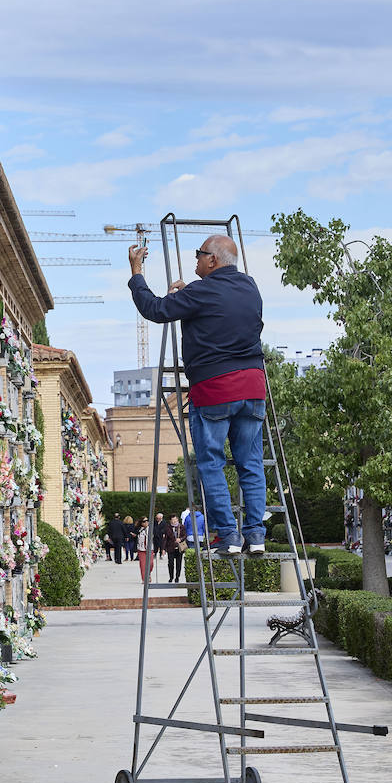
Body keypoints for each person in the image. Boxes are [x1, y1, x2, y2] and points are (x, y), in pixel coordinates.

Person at [129, 235, 266, 556]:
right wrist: (187, 293)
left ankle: (229, 537)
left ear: (213, 260)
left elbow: (154, 309)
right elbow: (219, 309)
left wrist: (137, 274)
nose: (195, 260)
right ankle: (256, 535)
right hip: (253, 388)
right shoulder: (251, 287)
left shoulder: (200, 292)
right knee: (251, 464)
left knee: (211, 463)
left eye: (199, 255)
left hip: (215, 388)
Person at [164, 514, 187, 583]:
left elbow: (185, 535)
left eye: (175, 519)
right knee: (170, 563)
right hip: (170, 547)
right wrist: (163, 549)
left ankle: (177, 577)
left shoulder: (181, 527)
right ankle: (171, 577)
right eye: (172, 520)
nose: (174, 521)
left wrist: (180, 539)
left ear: (177, 519)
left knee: (178, 563)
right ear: (170, 521)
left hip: (179, 547)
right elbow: (165, 538)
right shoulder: (167, 527)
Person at [136, 518, 151, 582]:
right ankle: (144, 579)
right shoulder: (139, 530)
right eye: (144, 521)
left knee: (151, 564)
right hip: (141, 549)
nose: (146, 522)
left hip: (150, 548)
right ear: (141, 523)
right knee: (142, 565)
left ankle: (148, 574)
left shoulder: (151, 529)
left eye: (147, 521)